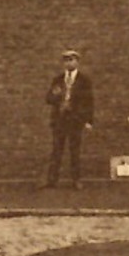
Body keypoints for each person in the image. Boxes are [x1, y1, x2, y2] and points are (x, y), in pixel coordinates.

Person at [42, 49, 93, 189]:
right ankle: (52, 180)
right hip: (59, 120)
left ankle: (76, 180)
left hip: (75, 120)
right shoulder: (58, 80)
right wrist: (56, 96)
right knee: (56, 150)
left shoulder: (84, 81)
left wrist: (88, 120)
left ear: (77, 62)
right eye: (66, 60)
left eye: (71, 60)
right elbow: (48, 99)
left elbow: (89, 101)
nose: (68, 63)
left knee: (74, 151)